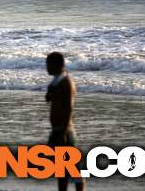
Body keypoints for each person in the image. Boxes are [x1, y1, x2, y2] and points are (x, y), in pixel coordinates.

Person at [45, 52, 85, 191]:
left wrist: (62, 131)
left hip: (65, 130)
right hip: (58, 129)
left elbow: (69, 108)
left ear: (57, 65)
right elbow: (50, 99)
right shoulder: (57, 80)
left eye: (48, 65)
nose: (46, 68)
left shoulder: (66, 81)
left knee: (73, 168)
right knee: (61, 169)